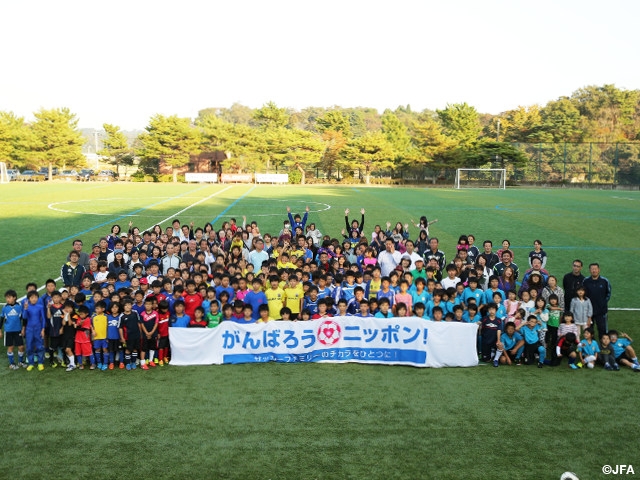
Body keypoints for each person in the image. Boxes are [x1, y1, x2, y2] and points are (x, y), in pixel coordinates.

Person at [582, 263, 611, 339]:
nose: (594, 270)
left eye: (595, 269)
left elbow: (608, 293)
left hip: (601, 311)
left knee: (602, 330)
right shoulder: (586, 281)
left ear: (599, 270)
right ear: (589, 270)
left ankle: (603, 347)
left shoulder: (605, 281)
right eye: (592, 269)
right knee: (589, 330)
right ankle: (591, 347)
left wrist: (603, 303)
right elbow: (582, 294)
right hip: (588, 311)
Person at [1, 289, 26, 369]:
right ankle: (12, 364)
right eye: (6, 298)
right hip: (8, 331)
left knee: (21, 347)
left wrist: (23, 328)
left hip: (18, 330)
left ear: (14, 297)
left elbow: (23, 318)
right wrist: (0, 330)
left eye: (9, 297)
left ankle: (20, 362)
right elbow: (1, 320)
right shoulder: (4, 308)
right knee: (10, 347)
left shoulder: (19, 307)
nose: (7, 299)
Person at [119, 298, 141, 370]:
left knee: (135, 349)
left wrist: (140, 333)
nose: (128, 307)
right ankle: (128, 363)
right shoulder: (122, 316)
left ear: (131, 306)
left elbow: (139, 323)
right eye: (126, 305)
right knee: (128, 350)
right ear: (123, 307)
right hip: (128, 336)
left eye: (129, 305)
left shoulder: (135, 313)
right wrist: (122, 338)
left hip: (136, 335)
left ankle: (133, 362)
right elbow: (120, 328)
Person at [74, 305, 95, 370]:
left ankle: (93, 364)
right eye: (80, 314)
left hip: (85, 339)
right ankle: (80, 364)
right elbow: (76, 328)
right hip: (77, 339)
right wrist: (78, 325)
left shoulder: (88, 319)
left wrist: (79, 325)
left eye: (82, 314)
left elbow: (84, 329)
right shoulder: (79, 319)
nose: (80, 315)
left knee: (89, 352)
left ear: (87, 314)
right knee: (78, 352)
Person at [91, 300, 109, 371]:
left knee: (105, 349)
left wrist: (108, 336)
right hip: (97, 337)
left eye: (98, 308)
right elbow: (91, 325)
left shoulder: (106, 316)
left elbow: (108, 326)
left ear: (103, 309)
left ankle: (105, 363)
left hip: (105, 337)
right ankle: (99, 363)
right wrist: (93, 331)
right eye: (96, 308)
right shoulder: (93, 316)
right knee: (97, 349)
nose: (96, 310)